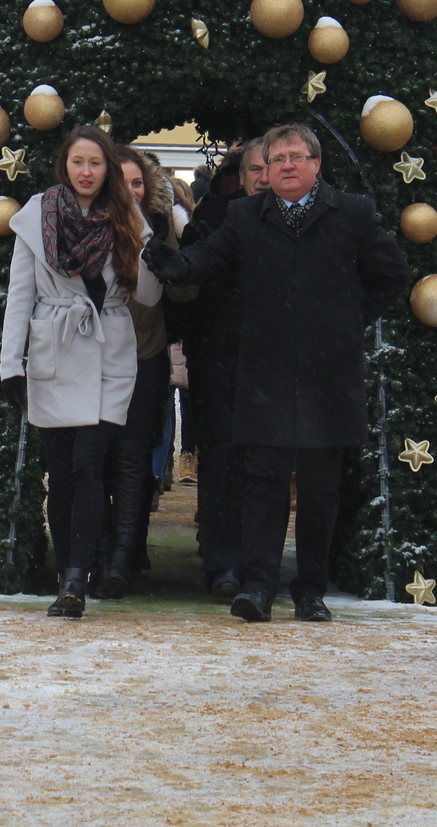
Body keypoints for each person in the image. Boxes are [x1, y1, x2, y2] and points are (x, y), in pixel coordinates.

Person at [148, 124, 411, 622]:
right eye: (278, 159)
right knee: (262, 483)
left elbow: (392, 273)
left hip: (327, 376)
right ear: (265, 170)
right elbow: (213, 255)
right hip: (264, 374)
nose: (287, 165)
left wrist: (347, 323)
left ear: (316, 164)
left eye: (297, 156)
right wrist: (179, 266)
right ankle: (259, 585)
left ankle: (310, 588)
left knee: (318, 489)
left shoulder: (351, 213)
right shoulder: (247, 215)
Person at [0, 124, 158, 618]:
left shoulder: (127, 218)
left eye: (95, 162)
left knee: (90, 467)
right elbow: (19, 297)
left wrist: (157, 261)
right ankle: (69, 565)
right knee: (62, 476)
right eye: (78, 162)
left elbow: (148, 296)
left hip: (110, 354)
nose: (86, 171)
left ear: (107, 166)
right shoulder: (35, 217)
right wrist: (11, 365)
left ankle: (75, 579)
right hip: (55, 351)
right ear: (64, 166)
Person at [177, 142, 266, 601]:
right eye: (256, 169)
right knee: (223, 463)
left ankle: (253, 563)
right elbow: (197, 276)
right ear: (238, 178)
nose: (266, 176)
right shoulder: (217, 221)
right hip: (220, 358)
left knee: (261, 468)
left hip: (272, 363)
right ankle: (223, 561)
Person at [99, 146, 190, 597]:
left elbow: (171, 294)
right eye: (121, 182)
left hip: (144, 354)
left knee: (133, 458)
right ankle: (107, 547)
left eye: (136, 183)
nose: (129, 191)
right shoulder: (86, 227)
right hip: (93, 360)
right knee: (96, 459)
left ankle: (123, 556)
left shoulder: (161, 231)